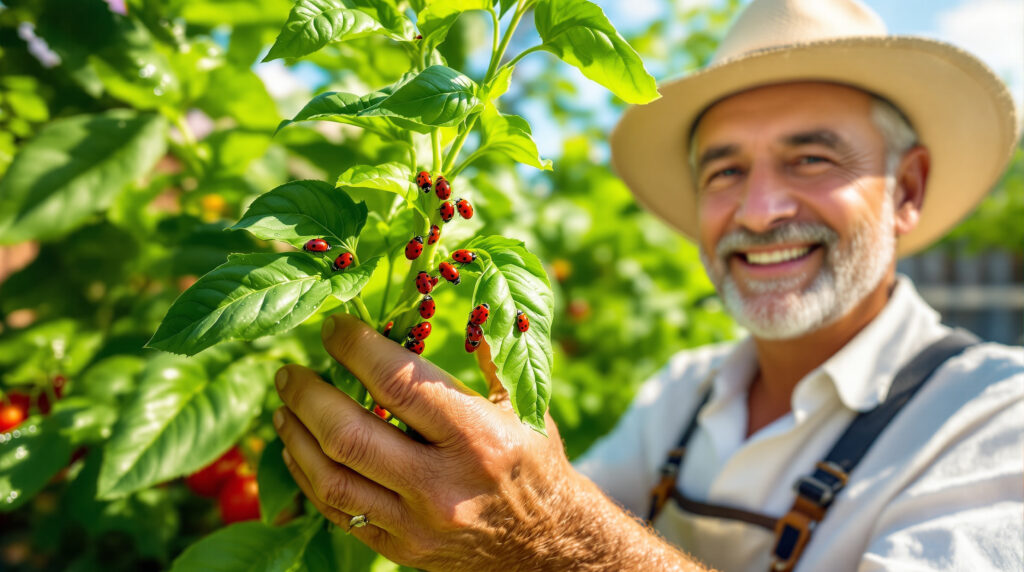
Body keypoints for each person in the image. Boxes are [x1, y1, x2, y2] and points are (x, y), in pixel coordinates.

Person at [270, 0, 1023, 569]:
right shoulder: (683, 395)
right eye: (725, 171)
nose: (759, 212)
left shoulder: (992, 418)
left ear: (908, 188)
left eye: (813, 159)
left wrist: (552, 533)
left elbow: (543, 527)